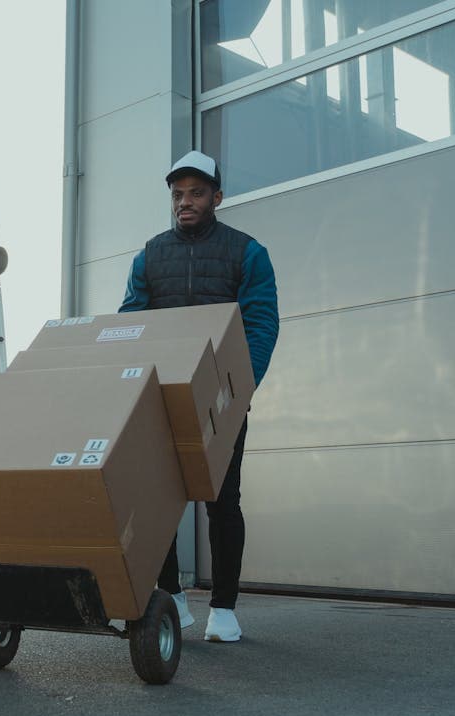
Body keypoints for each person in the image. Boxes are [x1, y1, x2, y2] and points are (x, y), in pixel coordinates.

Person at [119, 151, 279, 643]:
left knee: (221, 501)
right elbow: (131, 321)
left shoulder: (247, 252)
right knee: (159, 501)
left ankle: (225, 609)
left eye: (195, 193)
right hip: (160, 399)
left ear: (217, 197)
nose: (184, 203)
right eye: (177, 195)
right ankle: (174, 598)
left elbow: (261, 324)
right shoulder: (150, 255)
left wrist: (240, 390)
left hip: (221, 403)